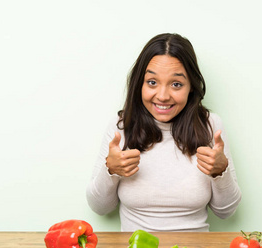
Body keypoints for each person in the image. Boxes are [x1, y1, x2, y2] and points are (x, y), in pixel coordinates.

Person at [86, 33, 241, 232]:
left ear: (191, 87)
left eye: (176, 84)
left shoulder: (210, 125)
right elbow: (99, 208)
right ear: (139, 84)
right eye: (152, 82)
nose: (163, 96)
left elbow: (226, 212)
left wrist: (220, 172)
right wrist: (111, 171)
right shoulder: (121, 126)